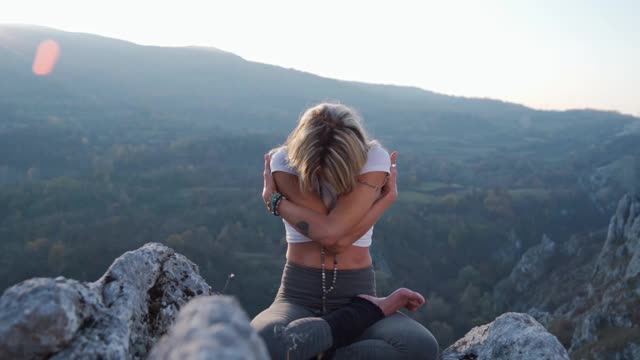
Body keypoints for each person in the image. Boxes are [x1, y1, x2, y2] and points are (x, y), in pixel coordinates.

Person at [251, 103, 439, 359]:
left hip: (357, 293)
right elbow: (333, 238)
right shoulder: (284, 160)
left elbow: (332, 237)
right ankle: (362, 316)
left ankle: (318, 344)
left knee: (420, 347)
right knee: (262, 344)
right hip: (297, 296)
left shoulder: (373, 157)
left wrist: (275, 201)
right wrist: (385, 199)